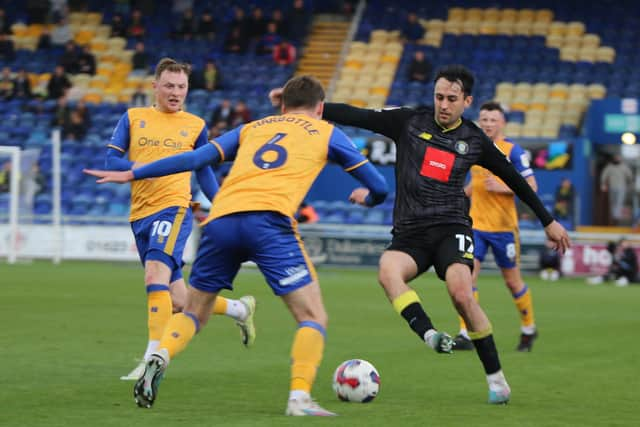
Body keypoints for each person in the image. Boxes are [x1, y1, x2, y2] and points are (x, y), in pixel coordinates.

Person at [84, 75, 389, 416]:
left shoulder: (251, 127)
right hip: (269, 222)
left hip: (221, 220)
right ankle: (299, 398)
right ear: (320, 108)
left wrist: (133, 173)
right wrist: (367, 198)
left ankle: (160, 355)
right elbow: (378, 186)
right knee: (312, 315)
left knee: (192, 312)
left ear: (283, 105)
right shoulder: (328, 132)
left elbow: (195, 159)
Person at [270, 65, 571, 404]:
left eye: (452, 99)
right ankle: (429, 335)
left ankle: (496, 378)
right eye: (439, 97)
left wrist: (548, 220)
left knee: (461, 293)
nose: (443, 104)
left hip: (451, 228)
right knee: (387, 272)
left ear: (466, 101)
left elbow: (515, 179)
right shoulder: (409, 121)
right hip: (410, 233)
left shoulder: (474, 140)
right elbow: (359, 116)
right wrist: (304, 107)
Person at [99, 57, 257, 381]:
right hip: (140, 213)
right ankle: (239, 309)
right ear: (154, 87)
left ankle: (152, 360)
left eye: (181, 87)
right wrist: (134, 168)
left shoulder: (196, 125)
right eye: (169, 85)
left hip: (175, 208)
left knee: (154, 274)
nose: (175, 92)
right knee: (180, 300)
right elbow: (111, 159)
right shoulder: (133, 118)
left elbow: (204, 171)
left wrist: (224, 205)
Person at [453, 101, 540, 352]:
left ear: (502, 123)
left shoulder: (513, 151)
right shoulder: (474, 146)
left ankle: (528, 327)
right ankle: (465, 333)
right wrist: (461, 194)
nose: (488, 124)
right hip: (476, 226)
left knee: (513, 282)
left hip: (504, 229)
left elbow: (531, 186)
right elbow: (476, 183)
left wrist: (502, 187)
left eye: (493, 120)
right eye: (484, 119)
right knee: (466, 279)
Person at [600, 154, 633, 225]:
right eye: (615, 158)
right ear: (613, 159)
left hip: (621, 187)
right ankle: (613, 218)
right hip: (612, 187)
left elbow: (629, 176)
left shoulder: (624, 167)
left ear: (620, 159)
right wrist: (603, 184)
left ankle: (617, 218)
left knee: (619, 203)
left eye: (618, 158)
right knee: (613, 203)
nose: (617, 159)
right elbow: (604, 175)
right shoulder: (609, 167)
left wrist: (629, 184)